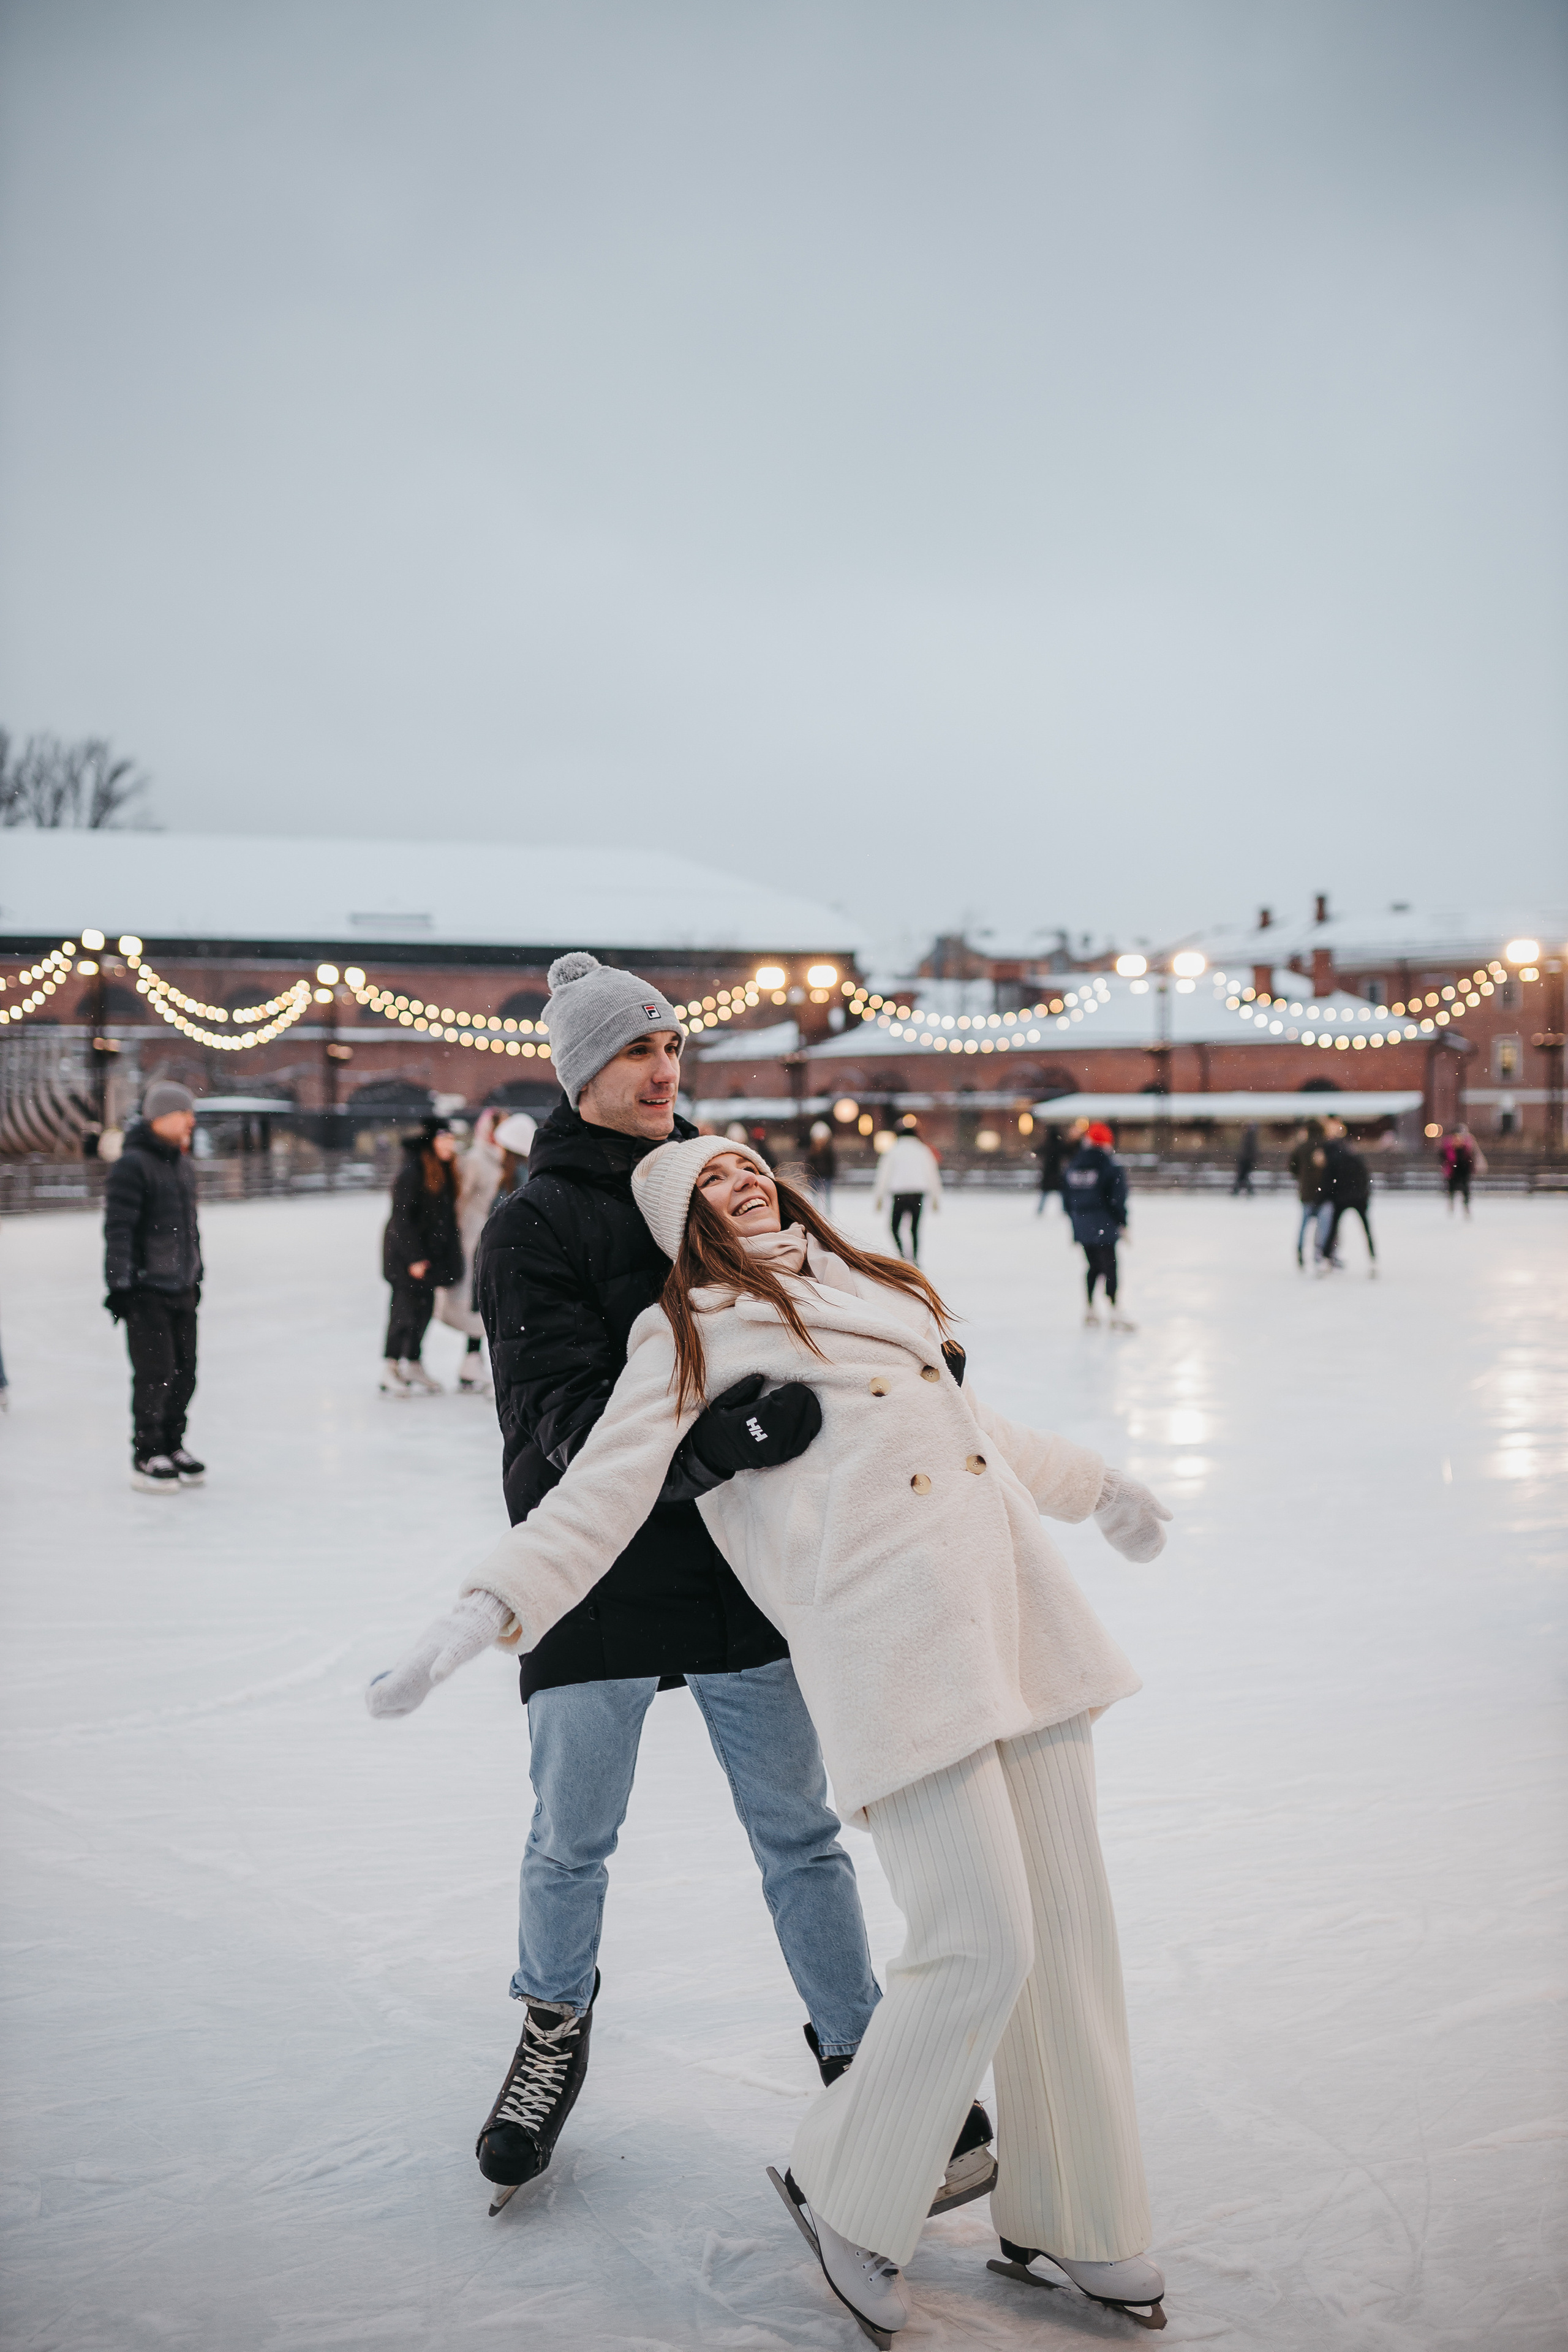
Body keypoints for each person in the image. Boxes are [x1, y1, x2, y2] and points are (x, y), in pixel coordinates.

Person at [371, 1135, 1173, 2337]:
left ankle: (1071, 2211)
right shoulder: (684, 1337)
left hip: (1019, 1619)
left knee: (1063, 1934)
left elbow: (979, 1431)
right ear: (675, 1223)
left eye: (747, 1165)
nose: (739, 1181)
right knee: (978, 1939)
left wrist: (1099, 1486)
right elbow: (599, 1492)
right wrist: (483, 1607)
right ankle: (851, 2190)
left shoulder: (871, 1291)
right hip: (893, 1655)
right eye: (706, 1181)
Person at [377, 954, 973, 2223]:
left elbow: (814, 1312)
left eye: (672, 1052)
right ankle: (551, 2032)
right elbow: (551, 1427)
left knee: (800, 1834)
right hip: (590, 1574)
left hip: (736, 1568)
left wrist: (902, 1364)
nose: (664, 1072)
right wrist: (711, 1446)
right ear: (581, 1070)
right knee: (570, 1842)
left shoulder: (712, 1190)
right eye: (638, 1054)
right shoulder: (532, 1226)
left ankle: (860, 2051)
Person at [103, 1080, 206, 1491]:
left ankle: (172, 1443)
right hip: (146, 1289)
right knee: (156, 1374)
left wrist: (198, 1273)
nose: (191, 1123)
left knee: (186, 1373)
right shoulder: (132, 1165)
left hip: (182, 1285)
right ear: (161, 1117)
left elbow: (191, 1230)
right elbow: (119, 1231)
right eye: (185, 1115)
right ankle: (146, 1452)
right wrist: (121, 1284)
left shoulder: (182, 1164)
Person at [380, 1120, 464, 1393]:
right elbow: (401, 1220)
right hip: (407, 1258)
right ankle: (391, 1367)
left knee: (424, 1311)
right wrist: (414, 1258)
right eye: (444, 1141)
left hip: (429, 1258)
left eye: (452, 1141)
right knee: (404, 1312)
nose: (450, 1146)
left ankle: (414, 1363)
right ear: (431, 1144)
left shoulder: (442, 1171)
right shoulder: (412, 1173)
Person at [435, 1110, 509, 1395]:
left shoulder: (504, 1158)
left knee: (483, 1299)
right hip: (473, 1235)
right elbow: (460, 1197)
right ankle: (470, 1359)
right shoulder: (478, 1159)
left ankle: (472, 1359)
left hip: (491, 1234)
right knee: (471, 1298)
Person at [1063, 1122, 1133, 1330]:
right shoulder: (1110, 1166)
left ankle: (1090, 1308)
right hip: (1105, 1225)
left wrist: (1076, 1221)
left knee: (1092, 1266)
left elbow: (1067, 1198)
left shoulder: (1074, 1165)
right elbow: (1117, 1199)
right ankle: (1114, 1309)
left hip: (1082, 1225)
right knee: (1110, 1267)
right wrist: (1122, 1222)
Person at [872, 1115, 942, 1265]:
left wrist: (878, 1198)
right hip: (917, 1194)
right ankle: (915, 1258)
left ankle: (903, 1256)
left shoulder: (893, 1150)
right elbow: (932, 1174)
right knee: (914, 1229)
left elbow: (883, 1175)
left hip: (900, 1194)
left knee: (894, 1227)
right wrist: (936, 1198)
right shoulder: (923, 1150)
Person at [1314, 1120, 1376, 1276]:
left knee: (1333, 1228)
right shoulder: (1355, 1158)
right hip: (1357, 1198)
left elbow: (1328, 1182)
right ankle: (1372, 1257)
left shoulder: (1334, 1161)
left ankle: (1326, 1257)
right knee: (1366, 1228)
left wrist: (1321, 1199)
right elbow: (1364, 1178)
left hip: (1341, 1198)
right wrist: (1365, 1196)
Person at [1287, 1120, 1324, 1268]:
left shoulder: (1301, 1147)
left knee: (1304, 1224)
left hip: (1306, 1191)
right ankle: (1320, 1252)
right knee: (1323, 1225)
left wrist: (1302, 1177)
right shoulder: (1324, 1146)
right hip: (1323, 1193)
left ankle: (1300, 1250)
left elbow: (1292, 1166)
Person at [1440, 1123, 1485, 1216]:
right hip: (1453, 1170)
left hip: (1464, 1170)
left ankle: (1466, 1207)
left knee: (1465, 1189)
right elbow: (1443, 1157)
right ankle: (1452, 1205)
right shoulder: (1448, 1145)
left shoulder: (1468, 1144)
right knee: (1452, 1188)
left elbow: (1472, 1156)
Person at [1034, 1120, 1067, 1215]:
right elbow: (1067, 1152)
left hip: (1048, 1173)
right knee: (1061, 1194)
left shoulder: (1047, 1145)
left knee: (1045, 1194)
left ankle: (1040, 1210)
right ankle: (1065, 1209)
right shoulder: (1059, 1145)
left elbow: (1038, 1151)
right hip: (1057, 1173)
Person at [805, 1120, 837, 1212]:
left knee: (827, 1196)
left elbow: (832, 1163)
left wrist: (831, 1174)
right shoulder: (813, 1151)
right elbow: (809, 1164)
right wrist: (809, 1175)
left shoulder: (827, 1151)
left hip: (826, 1175)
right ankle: (817, 1211)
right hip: (816, 1176)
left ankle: (827, 1212)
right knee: (815, 1195)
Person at [1230, 1122, 1259, 1196]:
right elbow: (1250, 1149)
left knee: (1243, 1176)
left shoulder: (1249, 1136)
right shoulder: (1250, 1136)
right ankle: (1247, 1191)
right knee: (1243, 1176)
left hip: (1245, 1160)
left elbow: (1248, 1149)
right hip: (1246, 1160)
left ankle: (1237, 1191)